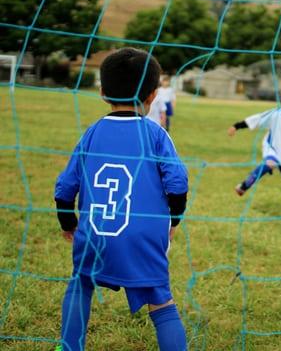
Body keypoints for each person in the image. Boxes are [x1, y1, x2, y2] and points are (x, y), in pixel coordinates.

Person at [54, 48, 189, 351]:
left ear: (102, 92)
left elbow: (64, 187)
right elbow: (178, 182)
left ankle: (69, 347)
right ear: (153, 95)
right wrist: (175, 218)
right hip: (143, 237)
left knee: (81, 283)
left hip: (95, 233)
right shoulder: (156, 135)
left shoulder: (90, 134)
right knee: (162, 302)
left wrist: (68, 221)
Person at [229, 83, 281, 208]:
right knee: (270, 163)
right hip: (272, 148)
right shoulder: (276, 114)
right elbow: (257, 119)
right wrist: (236, 126)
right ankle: (243, 186)